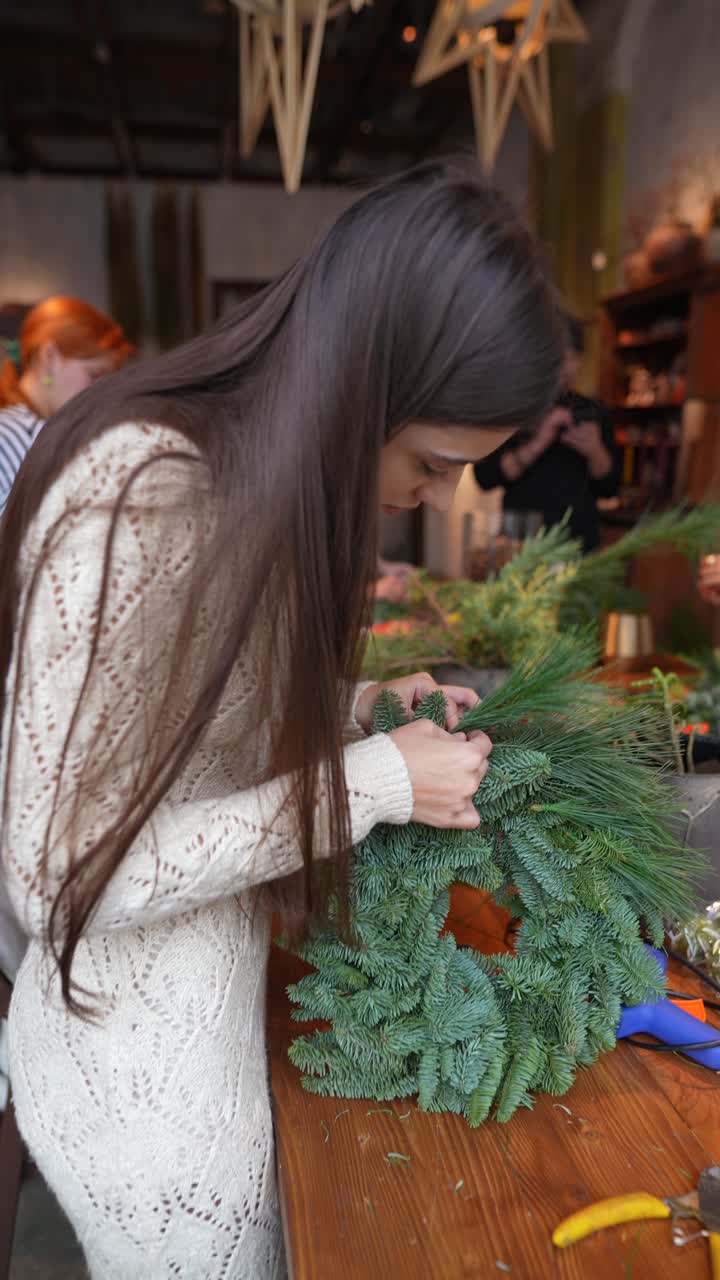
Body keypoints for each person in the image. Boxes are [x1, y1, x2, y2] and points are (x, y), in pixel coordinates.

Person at [0, 164, 563, 1279]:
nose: (442, 495)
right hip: (145, 1096)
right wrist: (376, 783)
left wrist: (361, 710)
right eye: (434, 462)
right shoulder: (145, 496)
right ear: (367, 384)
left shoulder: (242, 483)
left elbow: (192, 725)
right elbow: (61, 877)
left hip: (204, 1031)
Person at [474, 314, 620, 551]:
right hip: (521, 545)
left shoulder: (593, 412)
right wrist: (538, 442)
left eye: (568, 357)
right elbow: (485, 477)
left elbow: (610, 488)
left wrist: (595, 450)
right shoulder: (514, 410)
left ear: (577, 360)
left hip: (578, 546)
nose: (560, 365)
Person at [0, 295, 132, 515]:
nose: (103, 391)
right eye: (94, 374)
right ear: (49, 356)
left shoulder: (48, 432)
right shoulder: (9, 436)